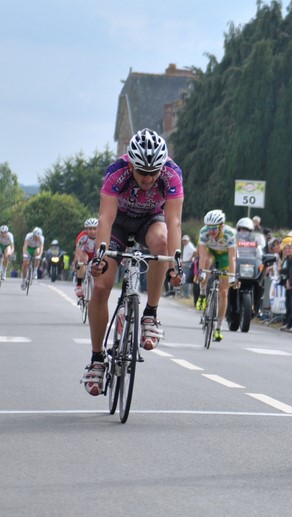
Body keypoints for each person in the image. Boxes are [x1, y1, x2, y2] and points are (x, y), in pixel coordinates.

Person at [82, 128, 184, 396]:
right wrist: (100, 258)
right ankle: (96, 359)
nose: (149, 178)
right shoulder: (117, 172)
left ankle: (150, 314)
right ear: (131, 164)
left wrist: (176, 263)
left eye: (154, 172)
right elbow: (105, 218)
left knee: (161, 243)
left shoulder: (172, 174)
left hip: (150, 222)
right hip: (117, 224)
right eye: (142, 172)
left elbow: (173, 222)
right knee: (102, 286)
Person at [195, 210, 236, 343]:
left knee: (224, 292)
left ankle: (219, 327)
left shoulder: (230, 234)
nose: (211, 231)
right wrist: (201, 272)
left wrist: (232, 277)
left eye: (214, 228)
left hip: (224, 255)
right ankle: (202, 293)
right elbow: (201, 255)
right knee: (206, 261)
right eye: (209, 227)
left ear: (221, 226)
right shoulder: (203, 232)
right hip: (210, 252)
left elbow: (232, 257)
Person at [73, 219, 98, 298]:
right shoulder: (82, 236)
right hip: (85, 253)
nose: (92, 231)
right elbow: (78, 251)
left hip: (95, 254)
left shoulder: (101, 235)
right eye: (90, 229)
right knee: (83, 260)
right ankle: (79, 285)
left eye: (94, 229)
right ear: (86, 229)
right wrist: (76, 263)